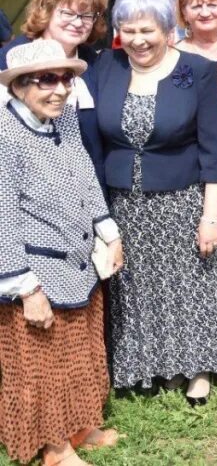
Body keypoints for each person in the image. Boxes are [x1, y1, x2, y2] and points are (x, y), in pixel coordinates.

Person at [95, 0, 217, 403]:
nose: (138, 40)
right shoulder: (107, 66)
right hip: (124, 203)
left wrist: (211, 216)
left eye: (147, 30)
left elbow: (214, 150)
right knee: (136, 288)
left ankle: (196, 369)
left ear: (167, 29)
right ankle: (151, 365)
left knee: (188, 285)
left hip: (182, 201)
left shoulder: (195, 70)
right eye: (129, 30)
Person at [0, 39, 123, 466]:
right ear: (17, 87)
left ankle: (80, 425)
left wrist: (108, 232)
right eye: (45, 80)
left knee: (81, 351)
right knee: (43, 365)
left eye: (66, 79)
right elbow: (2, 216)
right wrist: (26, 287)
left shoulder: (63, 117)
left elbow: (85, 173)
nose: (59, 89)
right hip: (36, 267)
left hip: (77, 258)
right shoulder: (4, 133)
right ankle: (54, 448)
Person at [0, 0, 108, 183]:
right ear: (46, 10)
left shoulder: (96, 64)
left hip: (92, 192)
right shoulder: (10, 61)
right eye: (67, 13)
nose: (78, 23)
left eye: (86, 15)